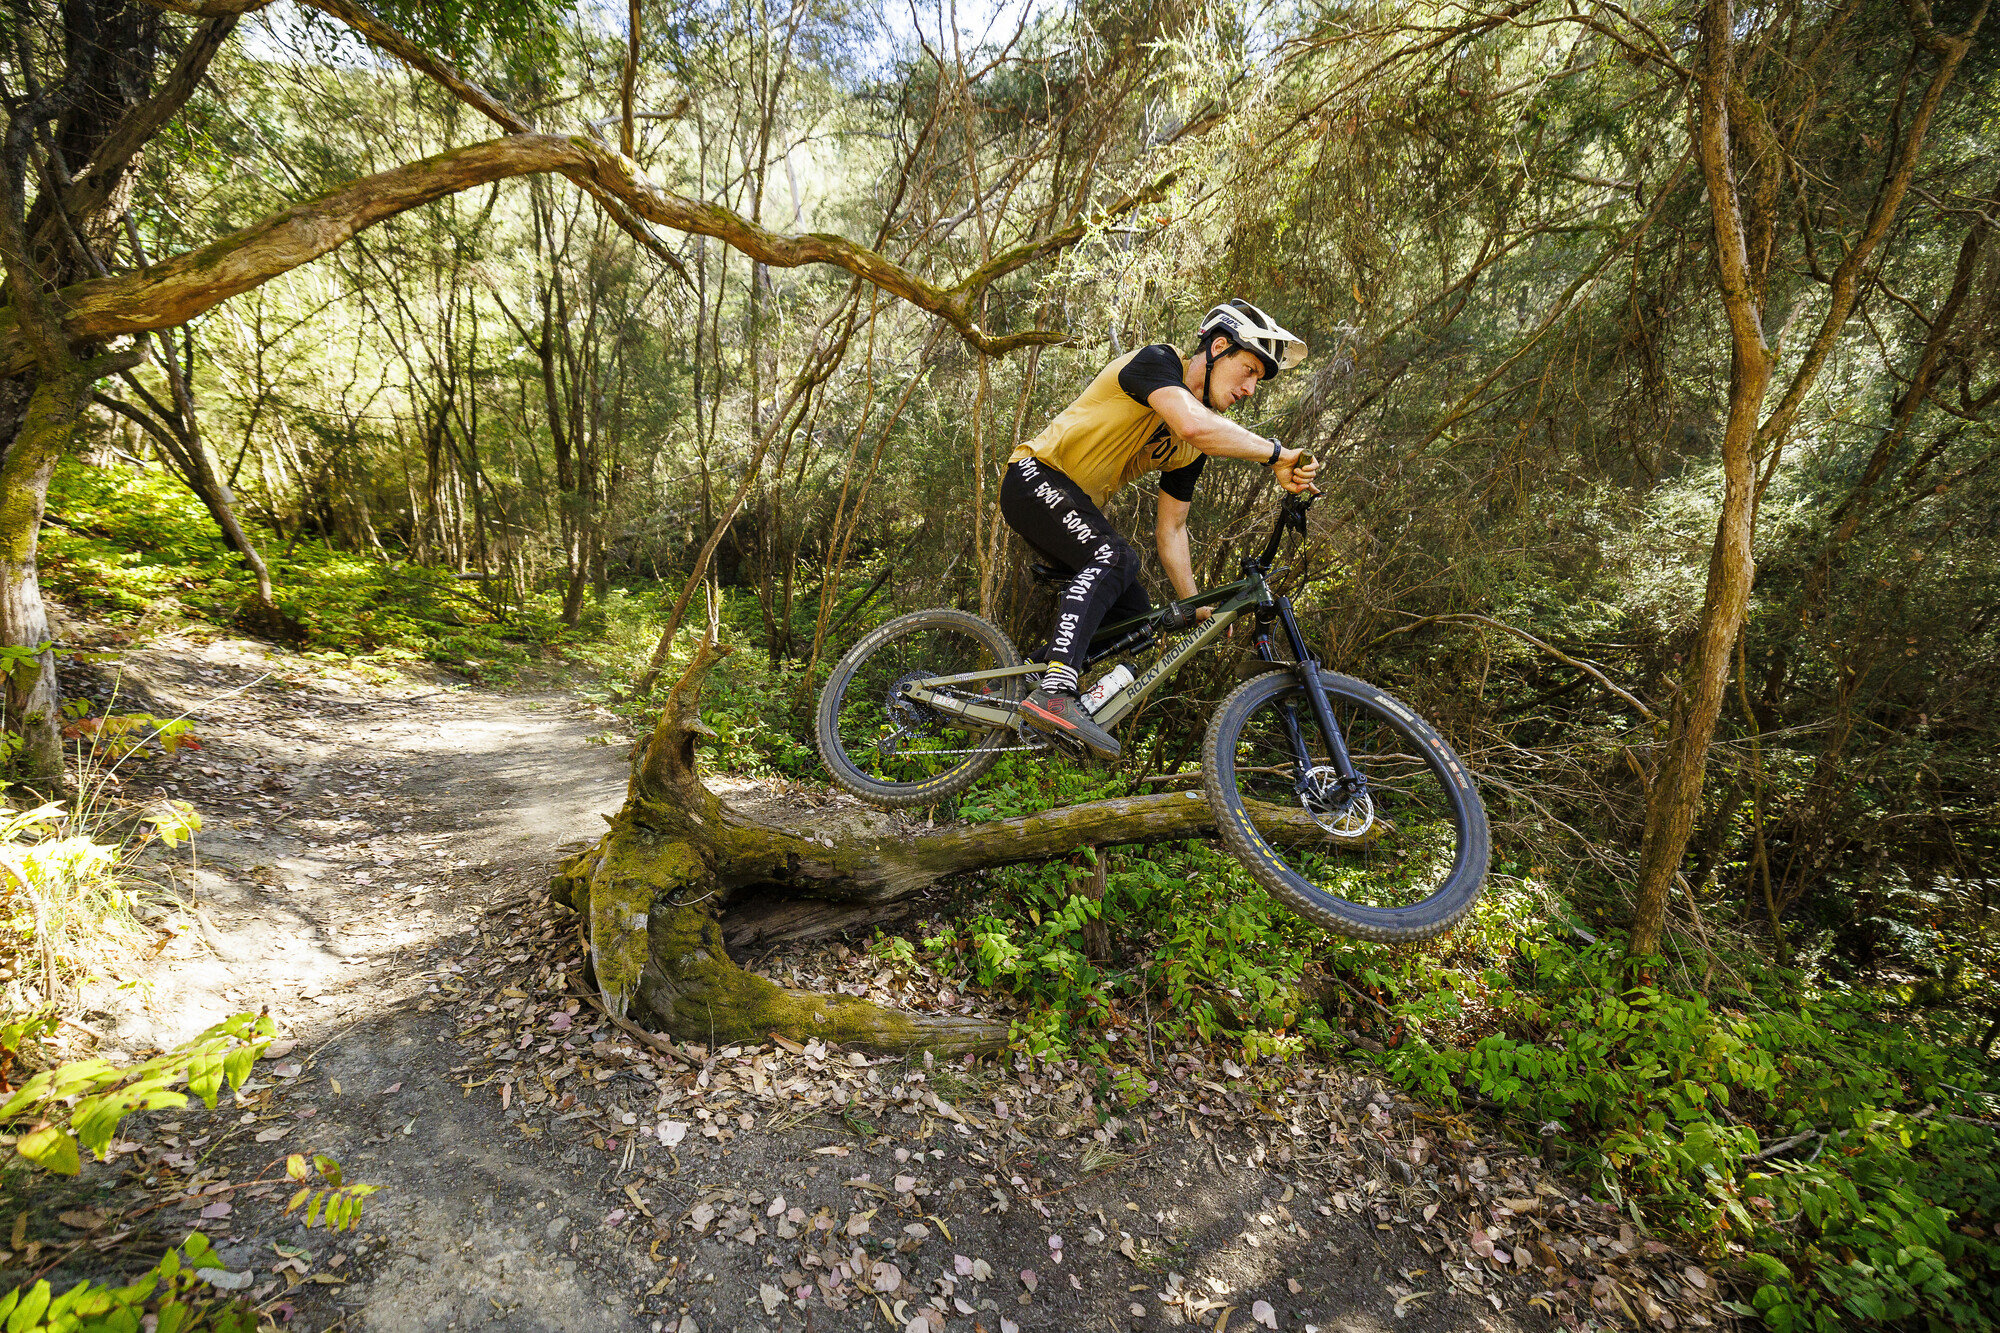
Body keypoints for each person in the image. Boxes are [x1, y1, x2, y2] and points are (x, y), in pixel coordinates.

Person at [999, 299, 1321, 760]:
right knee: (1112, 558)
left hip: (1070, 505)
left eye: (1258, 380)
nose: (1251, 388)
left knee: (1139, 618)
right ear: (1218, 347)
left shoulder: (1194, 448)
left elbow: (1172, 528)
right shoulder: (1156, 363)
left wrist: (1194, 604)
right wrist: (1277, 453)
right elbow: (1192, 424)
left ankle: (1018, 682)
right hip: (1034, 477)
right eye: (1248, 370)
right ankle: (1055, 692)